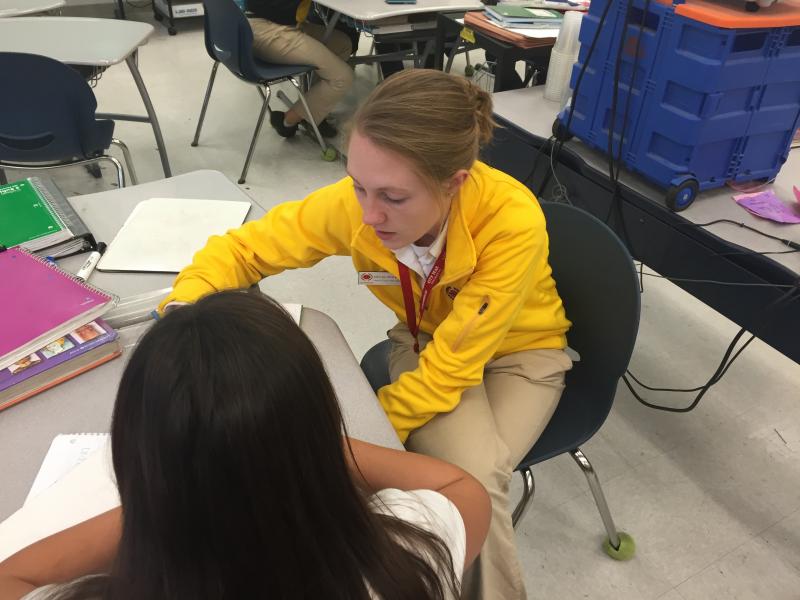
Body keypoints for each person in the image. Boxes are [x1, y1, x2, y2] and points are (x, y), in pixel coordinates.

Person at [156, 69, 572, 599]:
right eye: (358, 185)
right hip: (424, 341)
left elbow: (453, 369)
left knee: (466, 482)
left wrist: (365, 438)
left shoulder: (511, 222)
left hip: (522, 354)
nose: (368, 214)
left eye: (393, 198)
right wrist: (182, 309)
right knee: (435, 484)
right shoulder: (357, 206)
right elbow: (242, 250)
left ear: (456, 183)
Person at [0, 291, 491, 600]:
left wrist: (173, 500)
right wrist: (299, 449)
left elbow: (11, 576)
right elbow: (460, 486)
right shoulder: (410, 558)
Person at [245, 0, 353, 138]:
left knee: (342, 44)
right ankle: (287, 121)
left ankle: (312, 109)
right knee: (342, 78)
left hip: (281, 22)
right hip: (266, 28)